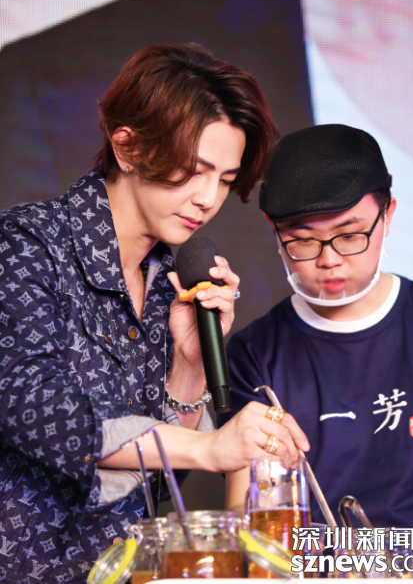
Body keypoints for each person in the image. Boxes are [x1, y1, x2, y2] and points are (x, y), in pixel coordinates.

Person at [0, 44, 309, 583]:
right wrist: (212, 445)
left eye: (225, 179)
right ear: (127, 147)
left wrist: (189, 366)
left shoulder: (173, 280)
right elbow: (39, 414)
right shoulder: (27, 244)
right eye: (194, 170)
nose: (208, 198)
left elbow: (158, 486)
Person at [219, 124, 413, 578]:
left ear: (388, 215)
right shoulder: (254, 354)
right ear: (274, 230)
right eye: (302, 239)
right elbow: (250, 521)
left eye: (350, 234)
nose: (328, 259)